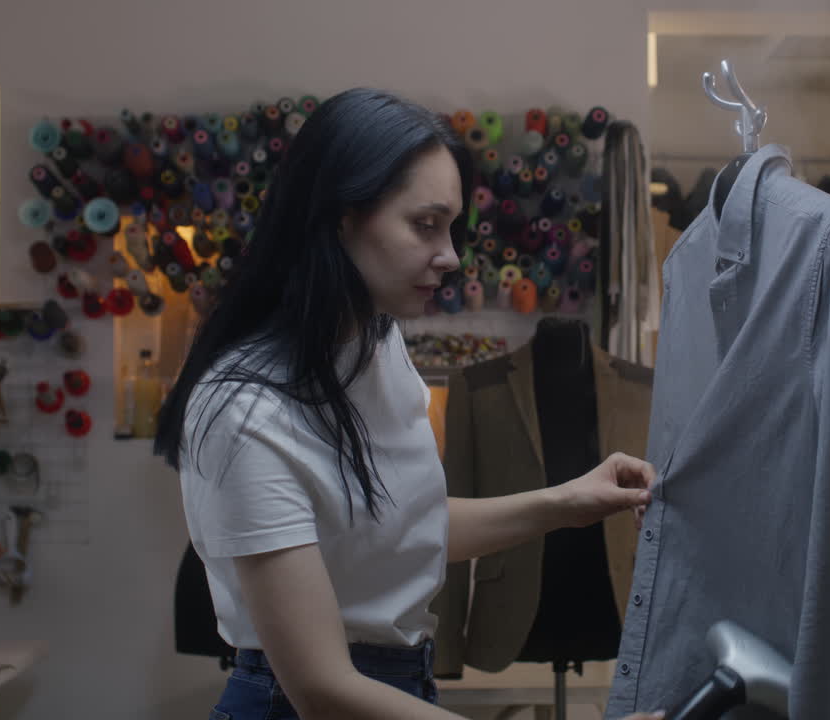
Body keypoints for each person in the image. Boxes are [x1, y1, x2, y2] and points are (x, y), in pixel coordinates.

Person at [153, 88, 665, 720]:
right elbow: (322, 689)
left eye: (451, 228)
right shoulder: (243, 411)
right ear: (340, 218)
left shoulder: (377, 346)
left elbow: (405, 529)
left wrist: (567, 503)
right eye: (425, 225)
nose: (450, 256)